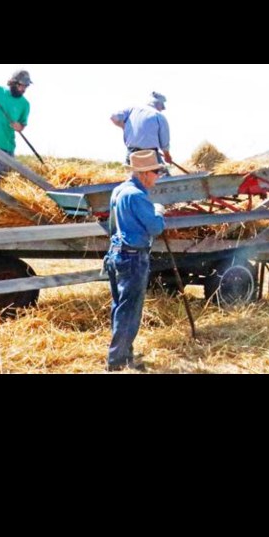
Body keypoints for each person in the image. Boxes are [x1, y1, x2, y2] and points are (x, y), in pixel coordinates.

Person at [104, 150, 167, 372]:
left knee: (120, 308)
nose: (158, 176)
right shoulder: (137, 196)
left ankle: (123, 355)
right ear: (143, 173)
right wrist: (159, 211)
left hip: (116, 254)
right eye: (156, 172)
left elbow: (111, 226)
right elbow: (155, 227)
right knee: (129, 311)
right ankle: (117, 362)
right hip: (132, 257)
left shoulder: (119, 191)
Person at [110, 92, 172, 172]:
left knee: (132, 178)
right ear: (157, 104)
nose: (164, 108)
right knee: (164, 179)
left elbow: (113, 117)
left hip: (131, 153)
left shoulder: (132, 109)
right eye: (162, 105)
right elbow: (164, 141)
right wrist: (167, 156)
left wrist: (125, 128)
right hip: (149, 154)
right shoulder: (159, 116)